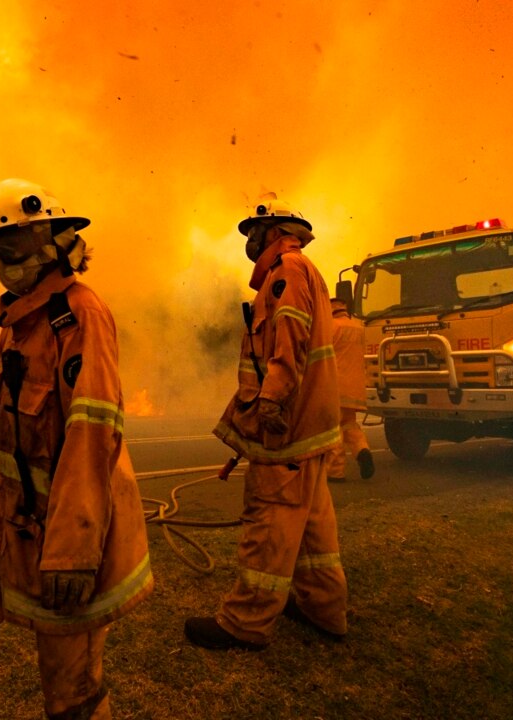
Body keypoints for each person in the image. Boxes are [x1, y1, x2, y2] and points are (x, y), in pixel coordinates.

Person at [0, 179, 152, 720]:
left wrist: (72, 554)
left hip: (64, 532)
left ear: (51, 240)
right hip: (2, 519)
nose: (2, 265)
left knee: (69, 687)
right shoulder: (18, 317)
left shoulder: (79, 316)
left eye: (11, 250)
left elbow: (92, 436)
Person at [185, 193, 348, 651]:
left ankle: (245, 621)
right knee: (313, 524)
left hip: (288, 429)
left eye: (254, 232)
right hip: (308, 426)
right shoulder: (297, 273)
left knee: (270, 519)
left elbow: (289, 341)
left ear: (276, 233)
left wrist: (271, 402)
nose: (250, 241)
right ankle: (324, 608)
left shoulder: (287, 272)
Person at [327, 296, 375, 482]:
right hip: (355, 387)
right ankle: (362, 450)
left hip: (335, 386)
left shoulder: (330, 327)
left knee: (333, 428)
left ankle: (335, 471)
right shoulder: (357, 327)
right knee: (349, 424)